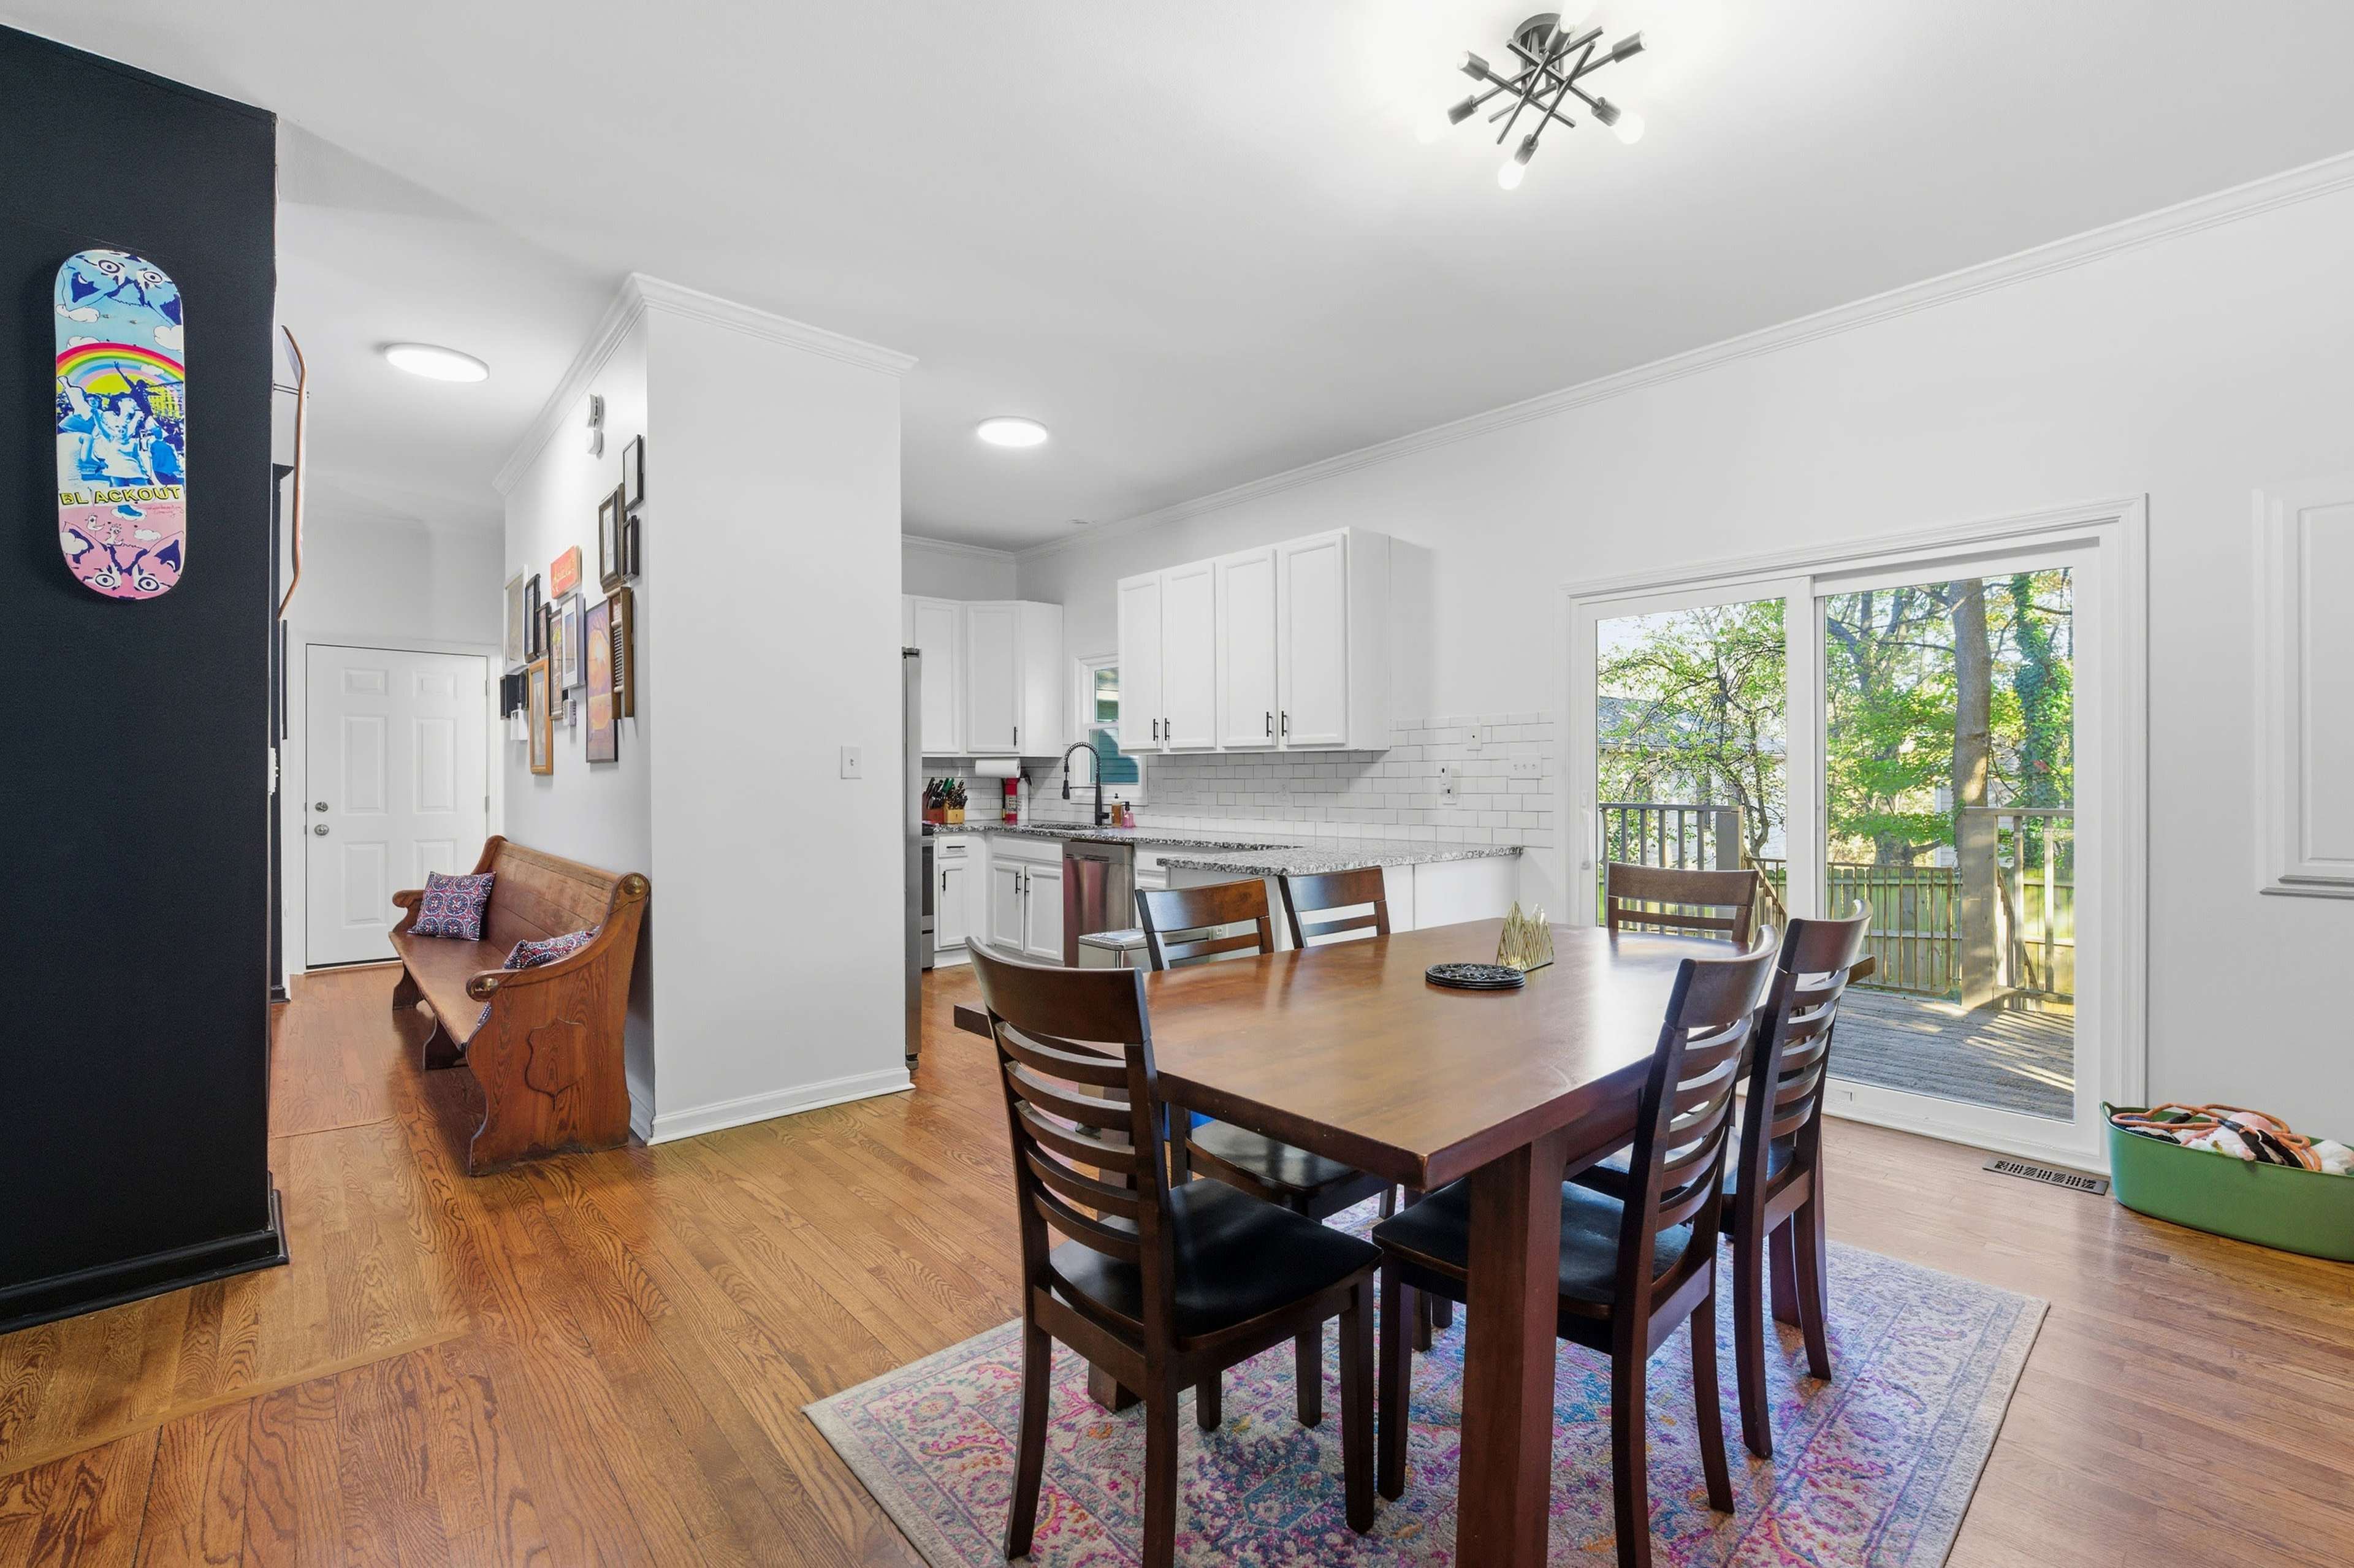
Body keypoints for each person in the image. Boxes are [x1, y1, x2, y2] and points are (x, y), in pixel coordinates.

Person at [59, 379, 158, 486]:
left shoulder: (109, 416)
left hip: (119, 457)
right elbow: (79, 402)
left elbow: (120, 433)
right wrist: (66, 385)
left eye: (95, 400)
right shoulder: (95, 413)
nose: (93, 402)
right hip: (98, 452)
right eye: (90, 401)